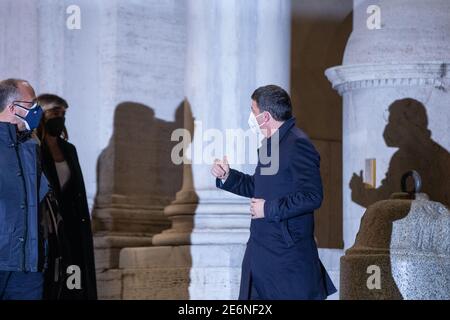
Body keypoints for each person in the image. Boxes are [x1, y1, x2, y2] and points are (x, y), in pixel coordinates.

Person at [211, 85, 336, 300]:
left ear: (265, 117)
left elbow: (312, 196)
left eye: (253, 110)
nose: (250, 116)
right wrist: (227, 177)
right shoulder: (271, 145)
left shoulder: (298, 144)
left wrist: (267, 209)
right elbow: (258, 187)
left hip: (286, 259)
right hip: (260, 255)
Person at [36, 94, 97, 300]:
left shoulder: (69, 149)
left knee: (76, 277)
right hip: (48, 224)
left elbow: (76, 189)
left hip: (72, 223)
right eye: (54, 112)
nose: (60, 118)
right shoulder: (34, 149)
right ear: (42, 115)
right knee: (52, 277)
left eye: (63, 113)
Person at [0, 79, 49, 300]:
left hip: (28, 266)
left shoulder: (32, 147)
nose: (37, 110)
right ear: (12, 108)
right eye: (32, 104)